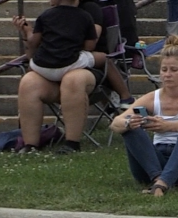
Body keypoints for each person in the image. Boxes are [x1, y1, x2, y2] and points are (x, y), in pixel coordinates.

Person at [11, 0, 131, 154]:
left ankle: (72, 143)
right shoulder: (49, 15)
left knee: (73, 79)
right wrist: (26, 33)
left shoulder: (89, 10)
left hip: (88, 68)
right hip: (53, 71)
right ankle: (30, 145)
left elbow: (87, 44)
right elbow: (32, 53)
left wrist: (57, 43)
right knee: (28, 82)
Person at [110, 36, 178, 196]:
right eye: (164, 70)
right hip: (156, 163)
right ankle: (160, 180)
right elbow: (115, 123)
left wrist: (169, 126)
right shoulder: (153, 97)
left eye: (174, 70)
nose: (167, 75)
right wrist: (129, 123)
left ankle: (162, 184)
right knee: (130, 127)